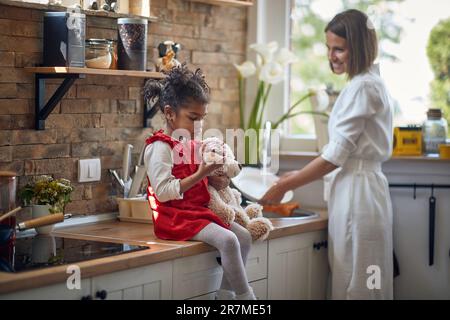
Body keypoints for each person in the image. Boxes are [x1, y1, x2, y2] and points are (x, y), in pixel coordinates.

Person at [260, 9, 394, 300]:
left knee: (360, 282)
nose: (331, 56)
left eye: (339, 49)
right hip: (359, 191)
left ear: (358, 47)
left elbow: (336, 155)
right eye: (328, 48)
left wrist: (286, 184)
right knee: (356, 277)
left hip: (359, 195)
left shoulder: (364, 87)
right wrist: (295, 175)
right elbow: (338, 153)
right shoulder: (363, 84)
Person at [143, 65, 256, 300]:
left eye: (202, 119)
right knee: (228, 240)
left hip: (197, 212)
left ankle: (225, 296)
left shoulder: (193, 144)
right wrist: (201, 174)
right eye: (193, 118)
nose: (199, 127)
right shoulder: (159, 147)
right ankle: (246, 299)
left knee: (243, 236)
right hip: (174, 218)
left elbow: (201, 181)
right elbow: (163, 192)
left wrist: (216, 179)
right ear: (170, 113)